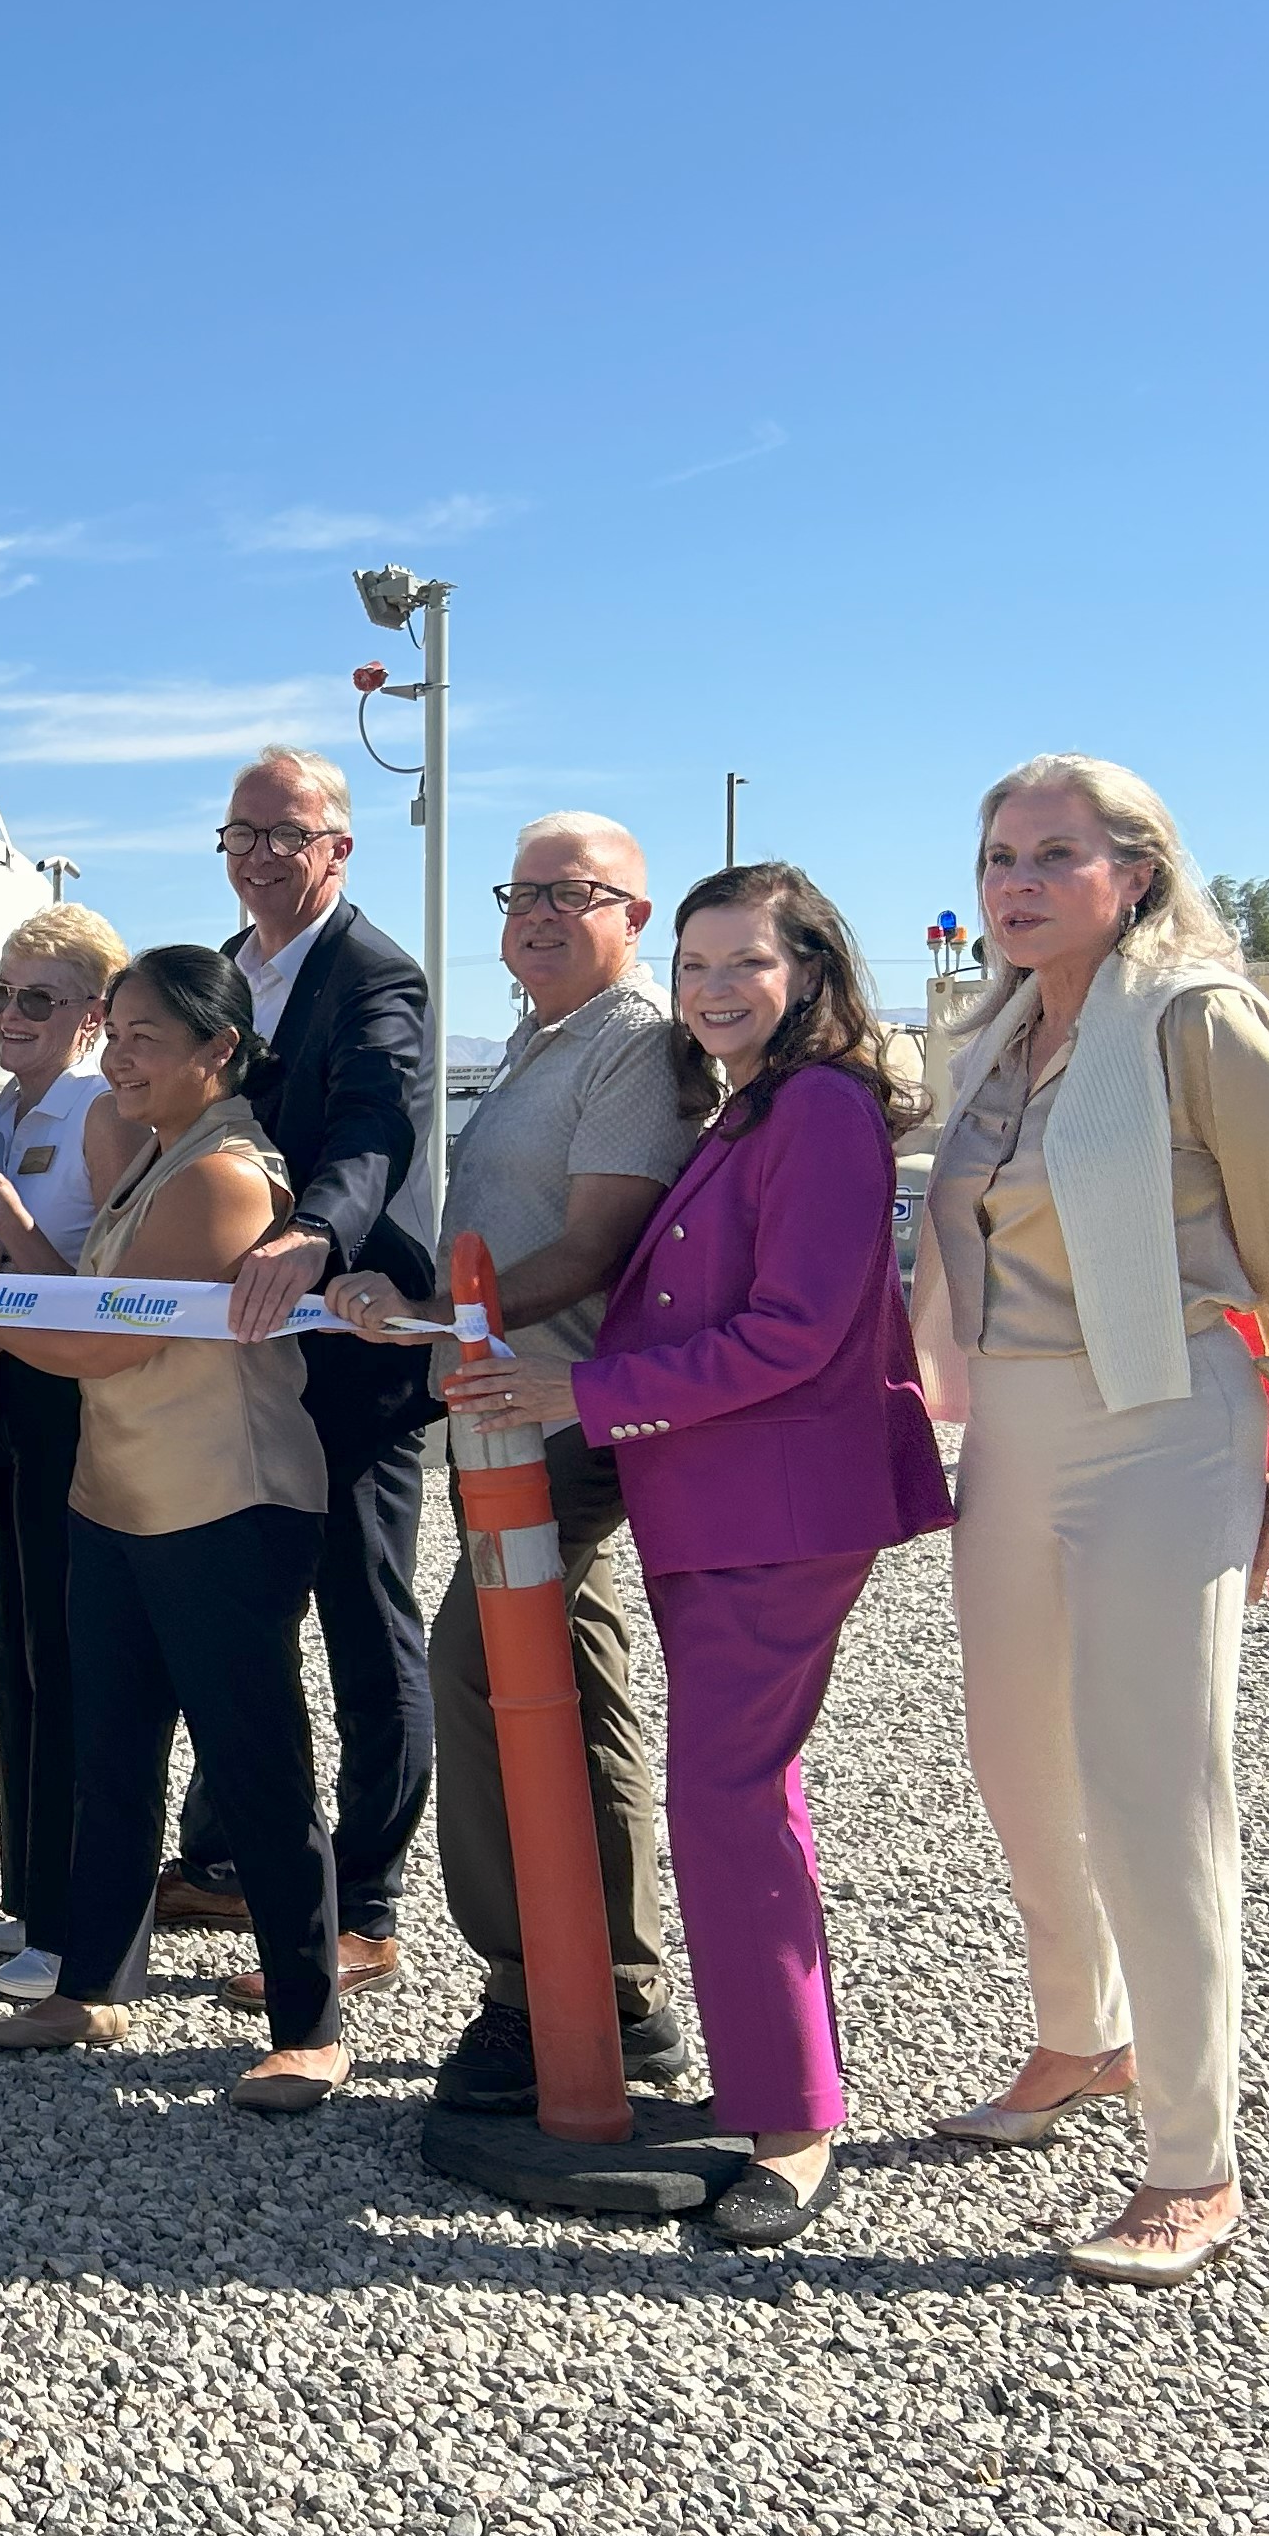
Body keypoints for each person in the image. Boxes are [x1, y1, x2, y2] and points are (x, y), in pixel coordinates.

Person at [912, 758, 1269, 2286]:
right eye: (999, 857)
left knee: (1155, 1788)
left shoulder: (1198, 1017)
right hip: (1017, 1423)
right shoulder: (992, 1036)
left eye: (1055, 854)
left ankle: (1193, 2161)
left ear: (1139, 870)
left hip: (1162, 1412)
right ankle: (1081, 2035)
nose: (1017, 881)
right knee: (1014, 1759)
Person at [446, 865, 952, 2244]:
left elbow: (795, 1329)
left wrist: (579, 1398)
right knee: (726, 1801)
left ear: (813, 974)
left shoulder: (823, 1112)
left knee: (731, 1805)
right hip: (717, 1509)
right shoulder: (752, 1111)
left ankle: (791, 2128)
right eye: (698, 964)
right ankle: (767, 2090)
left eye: (749, 963)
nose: (718, 988)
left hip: (775, 1514)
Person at [324, 814, 704, 2109]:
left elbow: (594, 1244)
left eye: (574, 892)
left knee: (492, 1676)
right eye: (523, 891)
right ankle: (606, 1992)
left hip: (560, 1421)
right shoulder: (547, 1041)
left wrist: (435, 1320)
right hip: (503, 1420)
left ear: (635, 916)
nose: (539, 912)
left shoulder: (632, 1046)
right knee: (572, 1685)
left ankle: (549, 1994)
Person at [0, 948, 344, 2108]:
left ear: (218, 1049)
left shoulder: (221, 1176)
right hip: (120, 1496)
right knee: (108, 1749)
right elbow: (92, 1299)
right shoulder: (160, 1159)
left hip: (223, 1499)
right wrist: (15, 1250)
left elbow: (113, 1343)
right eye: (112, 1033)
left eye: (144, 1037)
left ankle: (309, 2021)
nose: (117, 1055)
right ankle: (94, 1979)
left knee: (257, 1761)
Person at [168, 749, 440, 1995]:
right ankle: (224, 1861)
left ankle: (367, 1903)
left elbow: (377, 1124)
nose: (262, 855)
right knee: (241, 1598)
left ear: (339, 846)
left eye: (286, 834)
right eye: (243, 835)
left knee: (364, 1621)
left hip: (351, 1347)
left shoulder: (377, 974)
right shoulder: (224, 973)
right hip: (239, 1352)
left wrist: (314, 1235)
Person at [0, 902, 123, 2004]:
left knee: (69, 1656)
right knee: (15, 1643)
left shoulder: (105, 1112)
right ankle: (35, 1899)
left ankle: (79, 1921)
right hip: (4, 1392)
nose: (13, 1016)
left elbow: (115, 1286)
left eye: (38, 998)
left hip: (76, 1400)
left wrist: (10, 1236)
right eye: (1, 994)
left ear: (93, 1017)